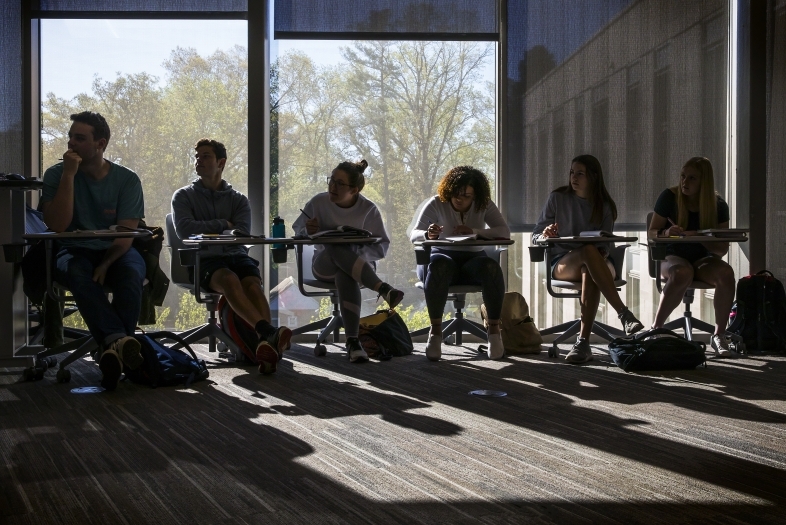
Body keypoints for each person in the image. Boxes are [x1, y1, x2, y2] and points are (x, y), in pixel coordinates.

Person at [41, 111, 146, 391]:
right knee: (78, 271)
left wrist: (106, 263)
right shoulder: (56, 174)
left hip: (115, 250)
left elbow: (126, 235)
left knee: (131, 273)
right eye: (70, 137)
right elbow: (58, 225)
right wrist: (69, 175)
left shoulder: (127, 180)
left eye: (79, 138)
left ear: (100, 144)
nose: (70, 143)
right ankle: (118, 343)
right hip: (73, 249)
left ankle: (112, 349)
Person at [172, 138, 291, 375]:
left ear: (221, 162)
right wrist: (223, 224)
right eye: (197, 156)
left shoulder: (238, 200)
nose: (199, 161)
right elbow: (185, 230)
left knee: (254, 287)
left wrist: (210, 227)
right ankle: (267, 334)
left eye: (205, 156)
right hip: (205, 259)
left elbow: (242, 232)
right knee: (230, 280)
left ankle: (265, 345)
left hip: (237, 255)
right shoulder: (183, 196)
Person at [532, 154, 644, 364]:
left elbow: (604, 244)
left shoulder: (604, 205)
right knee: (587, 253)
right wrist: (545, 234)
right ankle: (623, 314)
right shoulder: (557, 198)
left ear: (593, 177)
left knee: (590, 262)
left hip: (600, 262)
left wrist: (598, 252)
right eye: (572, 172)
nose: (574, 177)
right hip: (564, 262)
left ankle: (583, 344)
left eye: (580, 173)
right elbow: (536, 235)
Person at [292, 159, 403, 363]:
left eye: (339, 183)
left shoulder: (369, 209)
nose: (332, 187)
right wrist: (307, 231)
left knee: (346, 272)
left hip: (359, 268)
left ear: (354, 190)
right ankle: (382, 288)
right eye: (331, 180)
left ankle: (353, 342)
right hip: (323, 264)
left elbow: (381, 247)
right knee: (335, 246)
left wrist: (356, 253)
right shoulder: (318, 202)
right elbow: (296, 230)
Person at [410, 166, 510, 361]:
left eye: (466, 195)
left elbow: (504, 232)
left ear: (475, 195)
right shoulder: (437, 203)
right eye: (455, 193)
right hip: (443, 256)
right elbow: (414, 234)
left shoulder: (484, 204)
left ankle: (494, 333)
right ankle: (436, 333)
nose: (459, 198)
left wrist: (475, 231)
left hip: (473, 259)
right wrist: (427, 234)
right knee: (439, 266)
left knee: (491, 268)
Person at [648, 156, 736, 356]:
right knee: (681, 272)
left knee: (726, 273)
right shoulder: (669, 197)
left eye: (692, 178)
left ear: (704, 182)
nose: (684, 182)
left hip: (702, 259)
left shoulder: (718, 205)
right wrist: (665, 233)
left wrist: (700, 236)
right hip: (671, 256)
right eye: (682, 176)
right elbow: (652, 232)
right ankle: (656, 329)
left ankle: (719, 335)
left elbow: (721, 250)